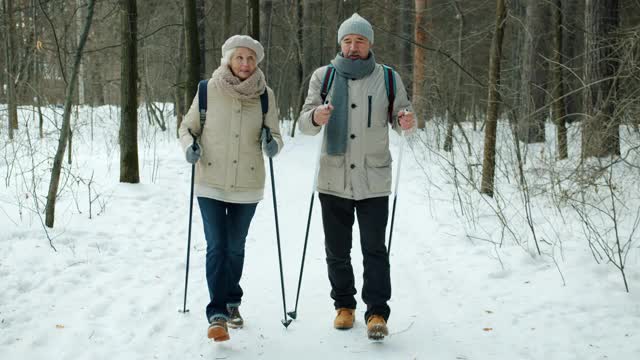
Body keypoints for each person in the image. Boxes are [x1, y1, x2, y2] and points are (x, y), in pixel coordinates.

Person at [297, 13, 416, 340]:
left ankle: (377, 312)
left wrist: (407, 120)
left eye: (359, 41)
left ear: (369, 44)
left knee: (374, 248)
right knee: (337, 249)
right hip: (333, 178)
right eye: (347, 41)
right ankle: (344, 307)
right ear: (340, 44)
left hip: (373, 179)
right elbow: (304, 123)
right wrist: (316, 116)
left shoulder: (389, 79)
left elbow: (402, 115)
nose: (353, 47)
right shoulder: (324, 77)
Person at [179, 35, 283, 342]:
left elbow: (276, 135)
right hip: (210, 180)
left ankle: (232, 299)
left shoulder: (266, 95)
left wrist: (272, 143)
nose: (245, 64)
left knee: (235, 247)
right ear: (228, 59)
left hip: (248, 183)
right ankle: (217, 314)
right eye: (239, 57)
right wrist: (190, 146)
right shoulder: (207, 90)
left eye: (251, 59)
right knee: (217, 245)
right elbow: (187, 128)